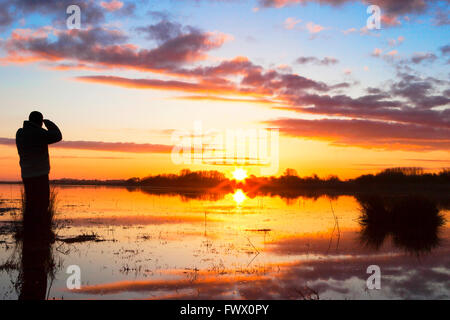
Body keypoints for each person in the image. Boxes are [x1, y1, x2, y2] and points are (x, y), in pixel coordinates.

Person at [16, 111, 62, 236]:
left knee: (30, 203)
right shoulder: (39, 133)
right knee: (42, 204)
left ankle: (29, 231)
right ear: (40, 122)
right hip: (40, 174)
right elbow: (58, 136)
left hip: (26, 174)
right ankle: (40, 231)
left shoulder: (20, 133)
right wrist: (49, 123)